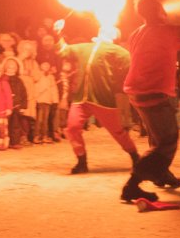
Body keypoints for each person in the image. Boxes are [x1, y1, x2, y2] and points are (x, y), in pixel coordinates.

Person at [123, 0, 180, 202]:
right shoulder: (165, 31)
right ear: (158, 11)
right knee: (166, 140)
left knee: (156, 136)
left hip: (136, 90)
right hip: (151, 91)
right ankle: (132, 185)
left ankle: (161, 174)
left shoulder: (137, 33)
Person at [58, 12, 139, 175]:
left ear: (114, 35)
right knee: (72, 128)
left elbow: (134, 64)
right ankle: (82, 161)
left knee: (118, 133)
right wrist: (58, 32)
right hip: (81, 98)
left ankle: (135, 157)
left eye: (111, 28)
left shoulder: (116, 50)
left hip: (103, 99)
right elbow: (63, 51)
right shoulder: (84, 47)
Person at [32, 60, 60, 143]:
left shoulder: (50, 77)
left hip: (48, 101)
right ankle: (36, 136)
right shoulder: (38, 74)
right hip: (40, 100)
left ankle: (44, 136)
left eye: (47, 66)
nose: (46, 67)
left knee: (45, 120)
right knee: (39, 119)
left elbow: (53, 89)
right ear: (41, 66)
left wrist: (55, 100)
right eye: (44, 65)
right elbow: (35, 82)